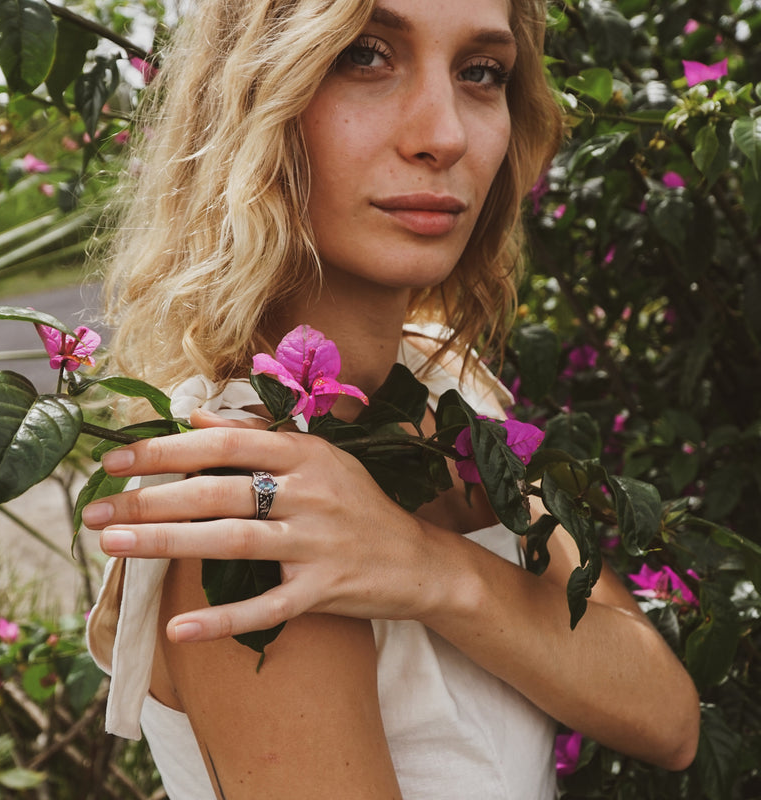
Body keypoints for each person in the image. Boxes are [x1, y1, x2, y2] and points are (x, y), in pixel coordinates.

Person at [84, 0, 701, 797]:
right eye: (365, 56)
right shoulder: (247, 496)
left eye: (481, 72)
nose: (443, 135)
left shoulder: (446, 386)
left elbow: (669, 718)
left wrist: (431, 570)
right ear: (255, 94)